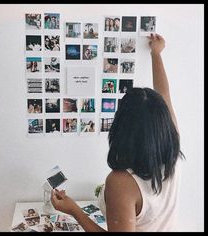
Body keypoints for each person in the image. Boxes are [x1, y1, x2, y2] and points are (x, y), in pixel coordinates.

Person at [51, 34, 184, 232]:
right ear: (162, 121)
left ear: (122, 129)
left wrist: (74, 210)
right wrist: (156, 54)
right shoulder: (173, 147)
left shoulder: (121, 183)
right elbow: (164, 94)